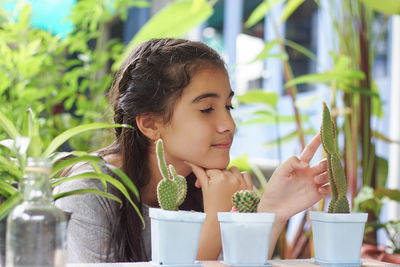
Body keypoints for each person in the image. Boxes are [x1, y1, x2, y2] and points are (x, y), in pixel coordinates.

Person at [54, 38, 330, 263]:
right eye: (207, 109)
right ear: (150, 124)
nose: (228, 124)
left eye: (228, 107)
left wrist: (272, 211)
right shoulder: (87, 191)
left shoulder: (212, 188)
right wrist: (214, 221)